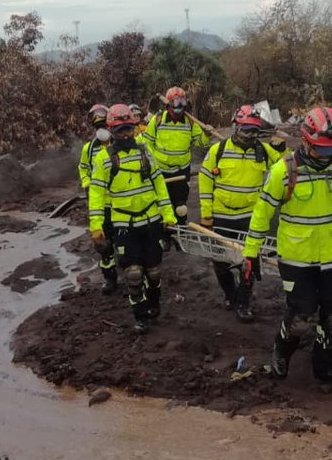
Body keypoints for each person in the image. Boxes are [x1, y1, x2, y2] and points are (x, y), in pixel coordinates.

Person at [242, 107, 332, 385]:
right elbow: (262, 212)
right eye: (321, 149)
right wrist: (250, 252)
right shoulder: (284, 171)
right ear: (305, 140)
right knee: (301, 318)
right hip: (296, 259)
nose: (328, 156)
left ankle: (324, 367)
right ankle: (281, 353)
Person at [88, 104, 177, 333]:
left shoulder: (145, 152)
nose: (125, 134)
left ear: (134, 127)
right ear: (111, 131)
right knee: (134, 274)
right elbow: (96, 195)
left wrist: (169, 216)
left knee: (154, 272)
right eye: (120, 130)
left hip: (151, 222)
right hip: (124, 225)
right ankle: (140, 316)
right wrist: (96, 227)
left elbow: (160, 185)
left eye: (128, 128)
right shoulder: (103, 159)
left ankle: (154, 302)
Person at [198, 105, 285, 321]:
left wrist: (282, 148)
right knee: (219, 261)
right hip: (221, 215)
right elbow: (205, 181)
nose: (249, 136)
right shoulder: (217, 151)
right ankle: (230, 294)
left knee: (249, 261)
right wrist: (206, 214)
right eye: (245, 130)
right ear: (235, 126)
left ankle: (244, 303)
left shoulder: (263, 151)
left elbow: (289, 166)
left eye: (254, 131)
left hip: (250, 216)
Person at [142, 86, 210, 218]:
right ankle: (163, 235)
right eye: (175, 103)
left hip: (182, 171)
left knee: (181, 208)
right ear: (168, 105)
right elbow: (147, 144)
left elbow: (200, 143)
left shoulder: (190, 122)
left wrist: (207, 135)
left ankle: (180, 232)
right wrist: (152, 165)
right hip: (160, 172)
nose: (179, 108)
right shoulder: (157, 120)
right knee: (161, 205)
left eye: (182, 103)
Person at [78, 104, 118, 293]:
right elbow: (83, 168)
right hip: (101, 204)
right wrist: (87, 184)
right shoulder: (89, 148)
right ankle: (110, 278)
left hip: (122, 201)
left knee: (125, 242)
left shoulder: (121, 143)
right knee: (103, 244)